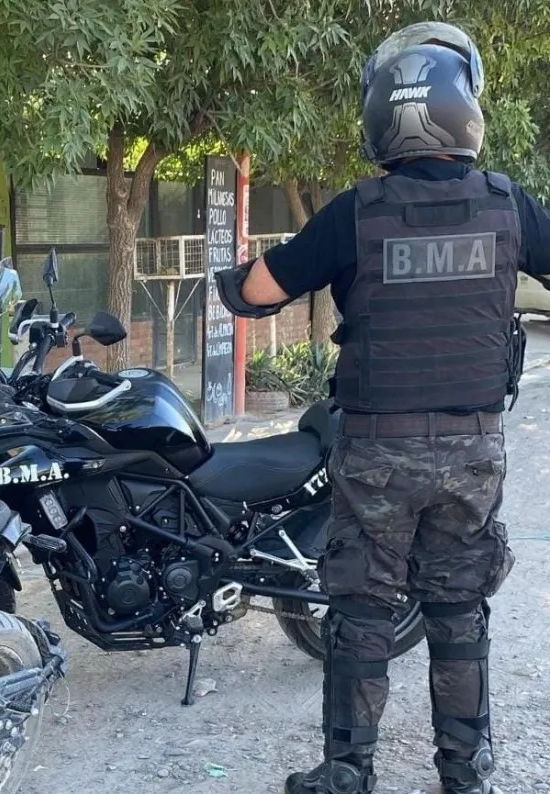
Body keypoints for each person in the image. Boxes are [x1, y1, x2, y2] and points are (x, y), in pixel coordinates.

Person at [216, 21, 550, 794]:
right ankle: (466, 774)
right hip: (471, 451)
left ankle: (347, 773)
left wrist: (233, 279)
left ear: (381, 116)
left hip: (375, 453)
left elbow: (258, 291)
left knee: (363, 613)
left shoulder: (356, 212)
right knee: (458, 611)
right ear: (464, 109)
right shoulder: (509, 205)